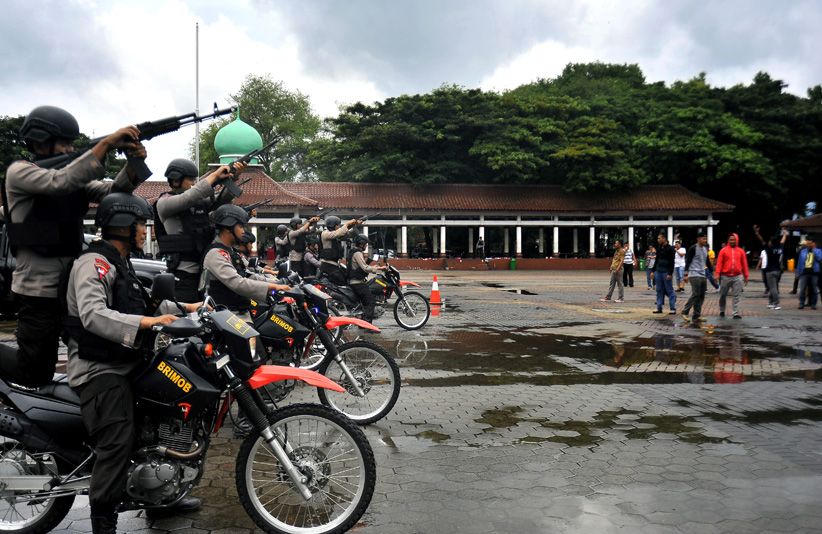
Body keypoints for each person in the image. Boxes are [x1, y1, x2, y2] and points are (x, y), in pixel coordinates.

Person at [63, 193, 203, 534]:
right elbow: (94, 315)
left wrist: (190, 310)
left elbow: (143, 306)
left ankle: (161, 495)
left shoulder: (119, 262)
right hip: (99, 369)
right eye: (141, 224)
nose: (145, 230)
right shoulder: (93, 263)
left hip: (125, 360)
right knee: (118, 439)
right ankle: (103, 521)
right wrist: (147, 324)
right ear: (124, 225)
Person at [1, 105, 147, 387]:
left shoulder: (72, 178)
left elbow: (113, 193)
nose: (69, 149)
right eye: (65, 142)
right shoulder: (20, 172)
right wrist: (106, 144)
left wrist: (133, 164)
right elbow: (60, 182)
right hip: (38, 289)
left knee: (91, 351)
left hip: (71, 286)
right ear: (41, 140)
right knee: (34, 372)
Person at [154, 159, 241, 302]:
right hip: (182, 277)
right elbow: (190, 196)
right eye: (190, 180)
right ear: (176, 181)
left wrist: (233, 177)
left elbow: (220, 203)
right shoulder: (165, 203)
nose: (193, 183)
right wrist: (214, 176)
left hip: (202, 274)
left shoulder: (197, 203)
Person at [202, 205, 290, 316]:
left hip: (237, 311)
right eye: (240, 226)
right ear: (228, 228)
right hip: (225, 316)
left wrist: (278, 282)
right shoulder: (215, 254)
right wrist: (273, 287)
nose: (244, 231)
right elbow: (238, 283)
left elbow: (248, 275)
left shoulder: (231, 252)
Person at [347, 233, 386, 323]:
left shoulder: (355, 251)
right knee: (370, 301)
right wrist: (378, 268)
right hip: (357, 283)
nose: (366, 246)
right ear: (361, 244)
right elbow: (365, 268)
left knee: (366, 302)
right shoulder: (357, 253)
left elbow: (362, 266)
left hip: (357, 281)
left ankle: (362, 322)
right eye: (365, 244)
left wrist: (374, 266)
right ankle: (367, 325)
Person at [715, 233, 749, 318]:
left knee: (736, 295)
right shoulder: (723, 250)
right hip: (725, 276)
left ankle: (735, 313)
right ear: (728, 241)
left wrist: (746, 276)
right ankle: (722, 310)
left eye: (734, 239)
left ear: (737, 240)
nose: (732, 241)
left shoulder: (741, 251)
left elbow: (744, 264)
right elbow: (719, 263)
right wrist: (717, 274)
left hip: (737, 277)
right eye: (730, 240)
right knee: (723, 295)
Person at [320, 215, 360, 285]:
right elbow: (339, 232)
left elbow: (353, 234)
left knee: (345, 279)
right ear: (333, 225)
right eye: (338, 225)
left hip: (334, 265)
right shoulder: (325, 233)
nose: (339, 226)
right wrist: (347, 224)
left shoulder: (337, 234)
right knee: (341, 282)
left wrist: (354, 225)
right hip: (327, 265)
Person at [682, 232, 711, 321]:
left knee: (701, 295)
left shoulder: (705, 249)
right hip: (694, 274)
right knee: (696, 294)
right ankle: (685, 312)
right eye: (703, 238)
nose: (704, 240)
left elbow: (707, 261)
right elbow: (688, 261)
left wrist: (713, 272)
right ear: (698, 239)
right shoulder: (693, 248)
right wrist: (686, 274)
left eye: (705, 239)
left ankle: (696, 315)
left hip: (702, 274)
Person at [652, 233, 676, 314]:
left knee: (669, 290)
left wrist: (670, 273)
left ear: (664, 239)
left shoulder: (670, 249)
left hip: (666, 272)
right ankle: (659, 308)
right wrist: (653, 271)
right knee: (659, 290)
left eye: (659, 238)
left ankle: (673, 308)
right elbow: (656, 260)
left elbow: (672, 262)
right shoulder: (659, 248)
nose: (658, 240)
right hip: (658, 271)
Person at [796, 238, 821, 310]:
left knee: (814, 289)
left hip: (814, 273)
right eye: (807, 243)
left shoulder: (818, 251)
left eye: (810, 243)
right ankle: (801, 303)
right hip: (804, 273)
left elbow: (819, 259)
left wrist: (813, 251)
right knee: (802, 289)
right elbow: (799, 262)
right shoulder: (803, 251)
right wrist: (798, 272)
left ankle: (813, 304)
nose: (808, 245)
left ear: (813, 244)